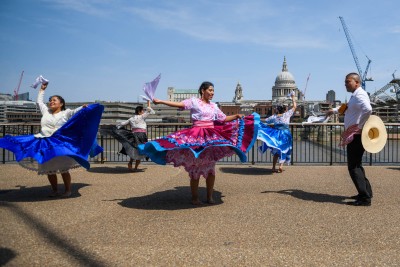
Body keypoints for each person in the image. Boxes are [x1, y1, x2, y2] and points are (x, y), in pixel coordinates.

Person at [139, 81, 259, 205]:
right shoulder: (194, 101)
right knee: (195, 168)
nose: (212, 93)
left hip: (211, 137)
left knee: (211, 168)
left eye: (213, 91)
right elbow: (179, 104)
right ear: (203, 91)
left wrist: (236, 116)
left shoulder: (214, 106)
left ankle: (209, 197)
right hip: (196, 136)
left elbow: (222, 119)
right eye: (210, 90)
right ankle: (195, 198)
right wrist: (161, 101)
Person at [0, 82, 104, 197]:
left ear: (61, 103)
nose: (52, 102)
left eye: (54, 100)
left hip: (59, 143)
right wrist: (42, 90)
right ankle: (55, 190)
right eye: (51, 100)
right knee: (49, 168)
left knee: (63, 169)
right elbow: (39, 102)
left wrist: (84, 107)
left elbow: (77, 111)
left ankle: (67, 190)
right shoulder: (46, 112)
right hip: (45, 141)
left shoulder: (66, 112)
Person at [326, 73, 372, 206]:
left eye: (348, 81)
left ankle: (364, 198)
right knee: (357, 165)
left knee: (353, 167)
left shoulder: (360, 95)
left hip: (356, 135)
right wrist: (333, 111)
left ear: (357, 82)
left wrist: (360, 126)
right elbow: (345, 108)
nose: (345, 84)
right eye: (345, 82)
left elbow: (368, 109)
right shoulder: (355, 96)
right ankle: (366, 192)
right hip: (356, 134)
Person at [257, 93, 297, 173]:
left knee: (276, 152)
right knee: (284, 150)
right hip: (285, 134)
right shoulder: (287, 114)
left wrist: (256, 119)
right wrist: (293, 98)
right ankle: (281, 166)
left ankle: (273, 167)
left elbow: (265, 120)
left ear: (278, 109)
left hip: (276, 134)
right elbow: (295, 107)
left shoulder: (274, 116)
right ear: (285, 109)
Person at [111, 101, 155, 171]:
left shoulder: (131, 118)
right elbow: (149, 110)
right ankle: (135, 168)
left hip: (133, 135)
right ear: (140, 111)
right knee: (141, 151)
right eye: (142, 110)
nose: (143, 111)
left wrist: (116, 127)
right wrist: (148, 101)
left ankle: (130, 163)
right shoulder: (142, 117)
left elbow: (122, 123)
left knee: (134, 150)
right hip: (142, 136)